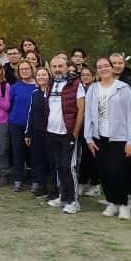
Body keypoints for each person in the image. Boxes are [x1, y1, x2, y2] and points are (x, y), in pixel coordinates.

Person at [84, 57, 131, 220]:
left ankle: (123, 205)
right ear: (96, 71)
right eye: (99, 67)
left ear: (112, 67)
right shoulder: (93, 89)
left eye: (106, 65)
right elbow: (88, 115)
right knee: (104, 171)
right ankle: (111, 202)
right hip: (99, 137)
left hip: (119, 137)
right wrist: (88, 138)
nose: (103, 69)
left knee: (117, 170)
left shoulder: (123, 88)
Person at [45, 54, 86, 214]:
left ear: (66, 67)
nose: (57, 69)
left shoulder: (76, 84)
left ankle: (73, 201)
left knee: (69, 167)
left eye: (60, 66)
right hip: (52, 132)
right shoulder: (50, 84)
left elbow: (81, 110)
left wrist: (75, 133)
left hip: (68, 133)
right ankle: (63, 196)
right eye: (54, 67)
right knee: (58, 166)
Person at [110, 51, 131, 209]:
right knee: (113, 166)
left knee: (128, 164)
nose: (116, 66)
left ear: (124, 64)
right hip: (109, 130)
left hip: (127, 128)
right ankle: (115, 196)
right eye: (113, 63)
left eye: (119, 63)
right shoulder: (103, 80)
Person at [8, 59, 36, 191]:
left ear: (32, 69)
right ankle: (18, 180)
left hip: (34, 125)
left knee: (34, 153)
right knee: (18, 152)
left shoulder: (38, 86)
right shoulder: (15, 87)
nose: (24, 71)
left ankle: (34, 179)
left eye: (27, 68)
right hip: (16, 123)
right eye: (21, 69)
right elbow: (10, 104)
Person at [24, 67, 51, 196]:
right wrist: (28, 133)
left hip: (51, 131)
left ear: (48, 76)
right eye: (38, 75)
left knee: (50, 159)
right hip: (36, 132)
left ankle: (54, 187)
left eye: (43, 75)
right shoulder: (35, 93)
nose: (41, 77)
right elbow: (31, 113)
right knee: (38, 159)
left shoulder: (54, 92)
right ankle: (42, 185)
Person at [77, 66, 103, 197]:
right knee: (83, 157)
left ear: (94, 76)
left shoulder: (98, 89)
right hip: (81, 128)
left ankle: (95, 184)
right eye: (83, 75)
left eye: (88, 75)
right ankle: (82, 182)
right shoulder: (79, 89)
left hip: (95, 129)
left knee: (94, 157)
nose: (85, 77)